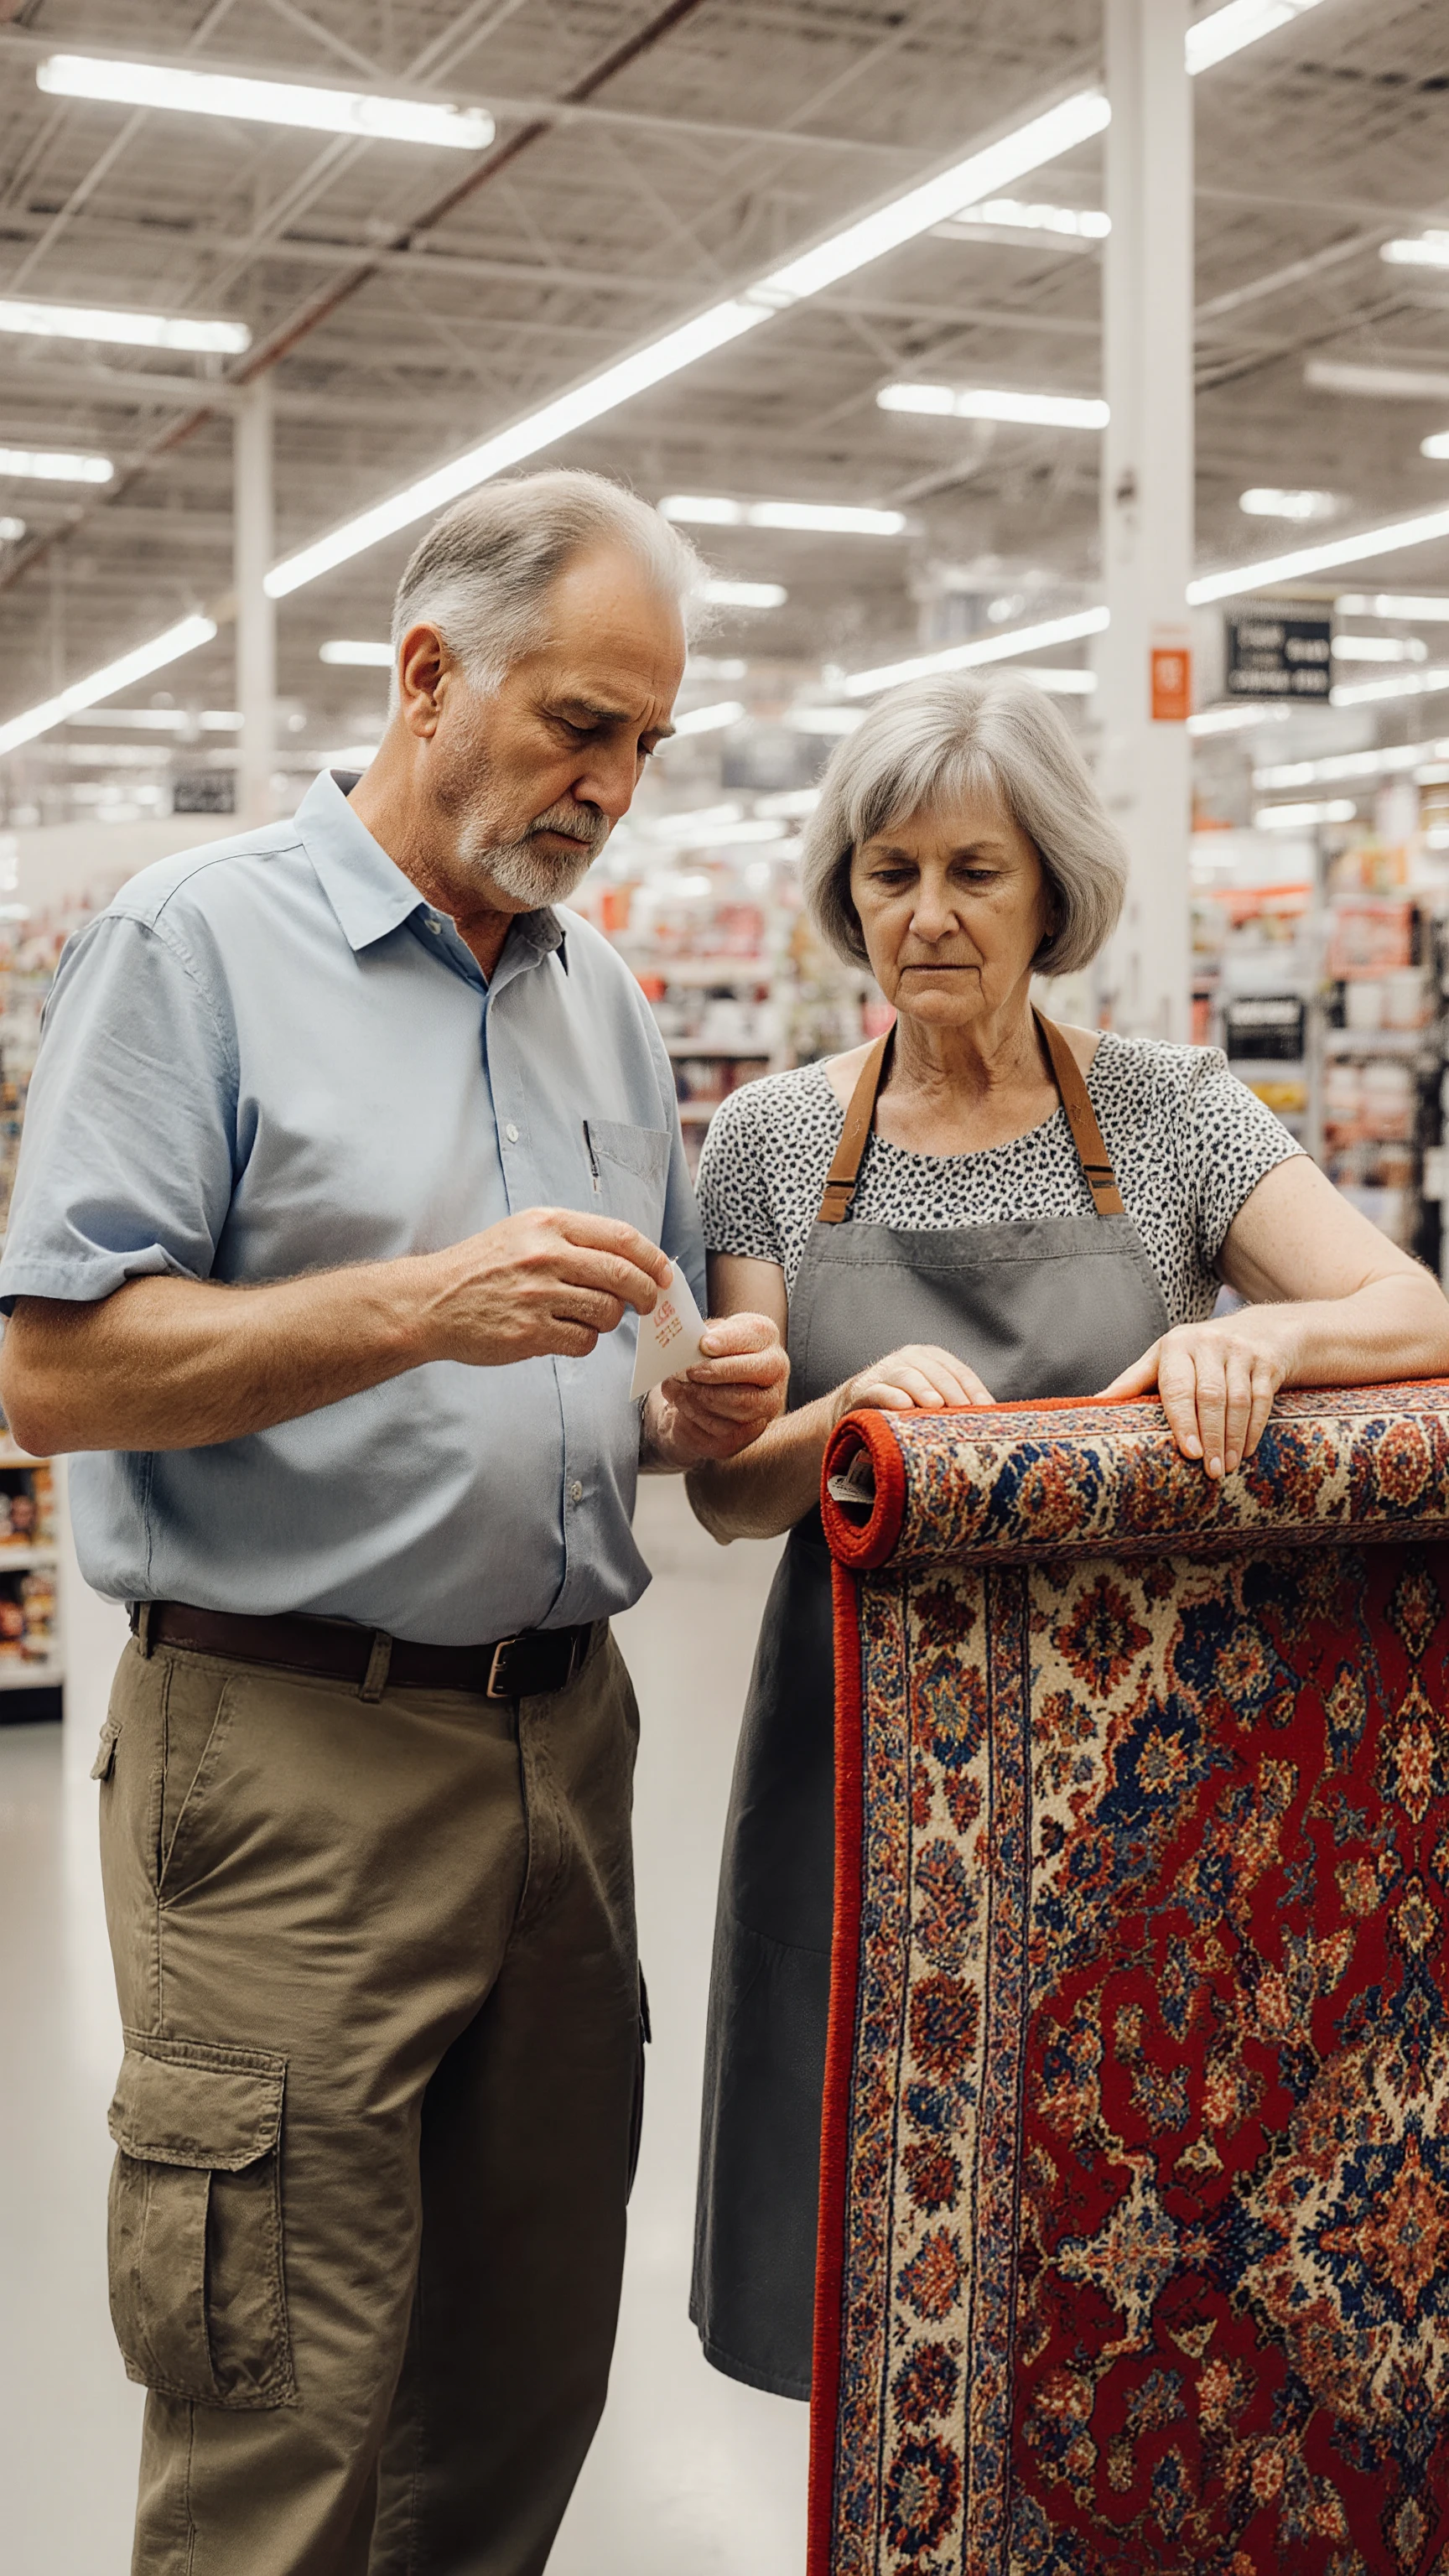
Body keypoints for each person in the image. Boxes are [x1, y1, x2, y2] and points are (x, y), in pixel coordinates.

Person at [0, 469, 787, 2575]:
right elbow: (56, 1368)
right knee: (285, 2416)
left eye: (643, 744)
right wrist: (417, 1308)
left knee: (514, 2396)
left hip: (567, 1754)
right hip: (288, 1771)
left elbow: (609, 1390)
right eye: (577, 725)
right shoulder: (195, 948)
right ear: (431, 676)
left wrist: (681, 1398)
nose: (612, 785)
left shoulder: (599, 997)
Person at [683, 666, 1449, 2402]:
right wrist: (847, 1416)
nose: (929, 916)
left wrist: (1265, 1335)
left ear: (1052, 892)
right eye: (891, 872)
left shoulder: (1172, 1113)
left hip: (1146, 1778)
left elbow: (1413, 1308)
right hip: (856, 1763)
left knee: (1127, 2244)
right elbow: (729, 1495)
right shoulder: (771, 1143)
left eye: (975, 871)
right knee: (864, 2264)